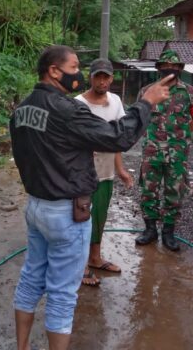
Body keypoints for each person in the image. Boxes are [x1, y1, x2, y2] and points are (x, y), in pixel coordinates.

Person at [10, 45, 173, 350]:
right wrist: (146, 103)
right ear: (54, 71)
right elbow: (118, 137)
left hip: (36, 207)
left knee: (31, 278)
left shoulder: (22, 109)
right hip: (66, 213)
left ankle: (22, 347)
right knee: (61, 293)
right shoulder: (67, 110)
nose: (79, 73)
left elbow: (32, 154)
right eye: (74, 67)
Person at [135, 50, 193, 252]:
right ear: (158, 68)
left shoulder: (190, 92)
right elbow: (140, 117)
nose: (170, 69)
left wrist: (182, 135)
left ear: (181, 69)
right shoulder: (147, 91)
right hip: (151, 150)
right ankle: (149, 230)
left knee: (174, 191)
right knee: (148, 190)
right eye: (165, 65)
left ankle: (168, 232)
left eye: (174, 66)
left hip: (177, 152)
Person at [75, 58, 133, 287]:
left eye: (106, 76)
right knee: (82, 219)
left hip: (106, 172)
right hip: (83, 175)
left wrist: (121, 169)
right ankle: (81, 268)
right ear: (90, 77)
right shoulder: (77, 103)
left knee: (100, 217)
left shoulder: (116, 101)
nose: (102, 81)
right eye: (98, 76)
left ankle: (95, 258)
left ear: (111, 78)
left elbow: (117, 138)